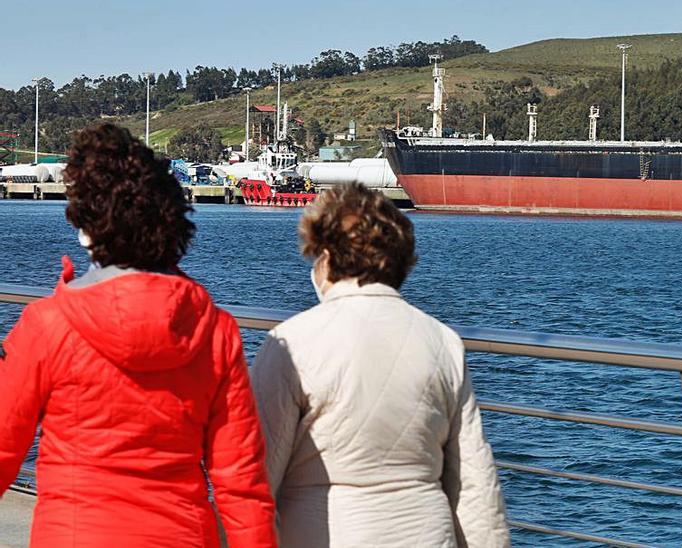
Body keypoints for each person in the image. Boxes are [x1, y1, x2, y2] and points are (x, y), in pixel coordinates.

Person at [0, 122, 276, 546]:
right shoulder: (214, 331)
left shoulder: (47, 325)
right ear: (172, 227)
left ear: (86, 230)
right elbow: (239, 480)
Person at [251, 183, 509, 547]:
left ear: (326, 256)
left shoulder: (291, 343)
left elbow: (255, 476)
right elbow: (474, 486)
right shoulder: (442, 342)